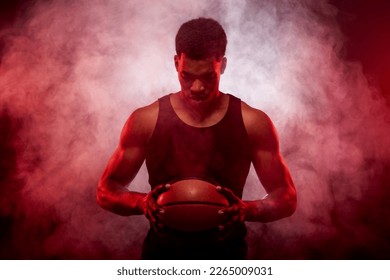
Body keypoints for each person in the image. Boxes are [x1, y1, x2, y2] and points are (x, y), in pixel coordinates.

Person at [96, 17, 297, 259]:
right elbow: (106, 190)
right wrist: (142, 203)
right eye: (187, 76)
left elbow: (286, 196)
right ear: (175, 63)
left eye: (208, 77)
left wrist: (247, 209)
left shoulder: (253, 122)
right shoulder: (145, 120)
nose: (197, 87)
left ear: (221, 65)